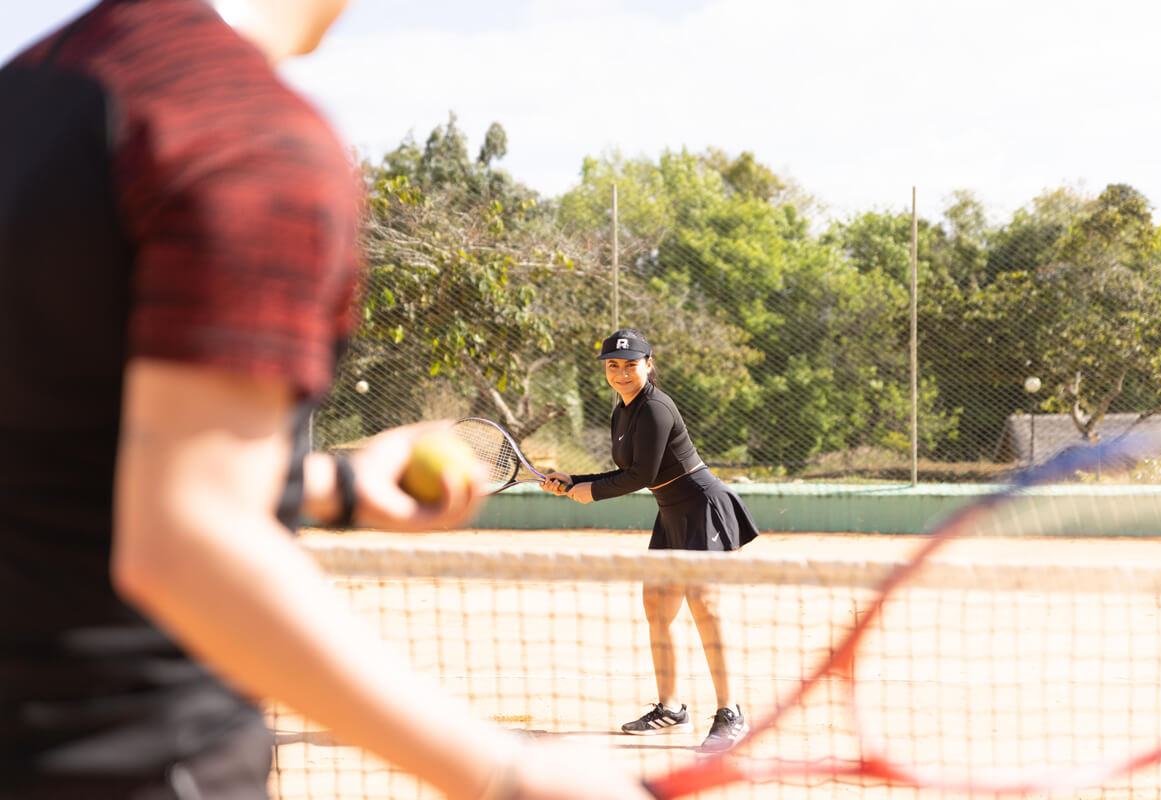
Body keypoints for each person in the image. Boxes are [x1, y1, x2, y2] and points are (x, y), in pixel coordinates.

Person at [0, 2, 650, 799]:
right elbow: (184, 543)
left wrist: (334, 485)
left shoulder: (29, 95)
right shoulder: (246, 139)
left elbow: (66, 459)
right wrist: (503, 772)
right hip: (140, 760)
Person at [541, 329, 760, 754]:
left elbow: (640, 475)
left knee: (705, 605)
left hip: (701, 506)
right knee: (657, 606)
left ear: (648, 364)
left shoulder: (656, 408)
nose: (621, 373)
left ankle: (731, 714)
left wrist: (592, 492)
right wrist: (576, 480)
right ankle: (672, 708)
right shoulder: (622, 411)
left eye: (630, 364)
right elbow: (636, 470)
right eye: (612, 365)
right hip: (670, 512)